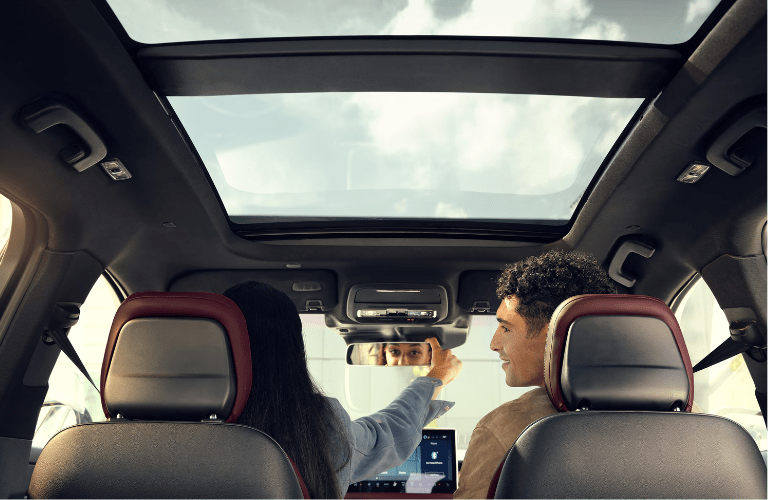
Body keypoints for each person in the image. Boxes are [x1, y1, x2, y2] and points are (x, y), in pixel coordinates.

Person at [223, 281, 462, 499]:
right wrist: (437, 376)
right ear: (294, 351)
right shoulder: (319, 424)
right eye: (395, 352)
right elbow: (388, 433)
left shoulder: (189, 428)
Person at [454, 250, 617, 499]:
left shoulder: (504, 430)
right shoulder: (691, 418)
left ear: (554, 334)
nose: (493, 344)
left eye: (505, 328)